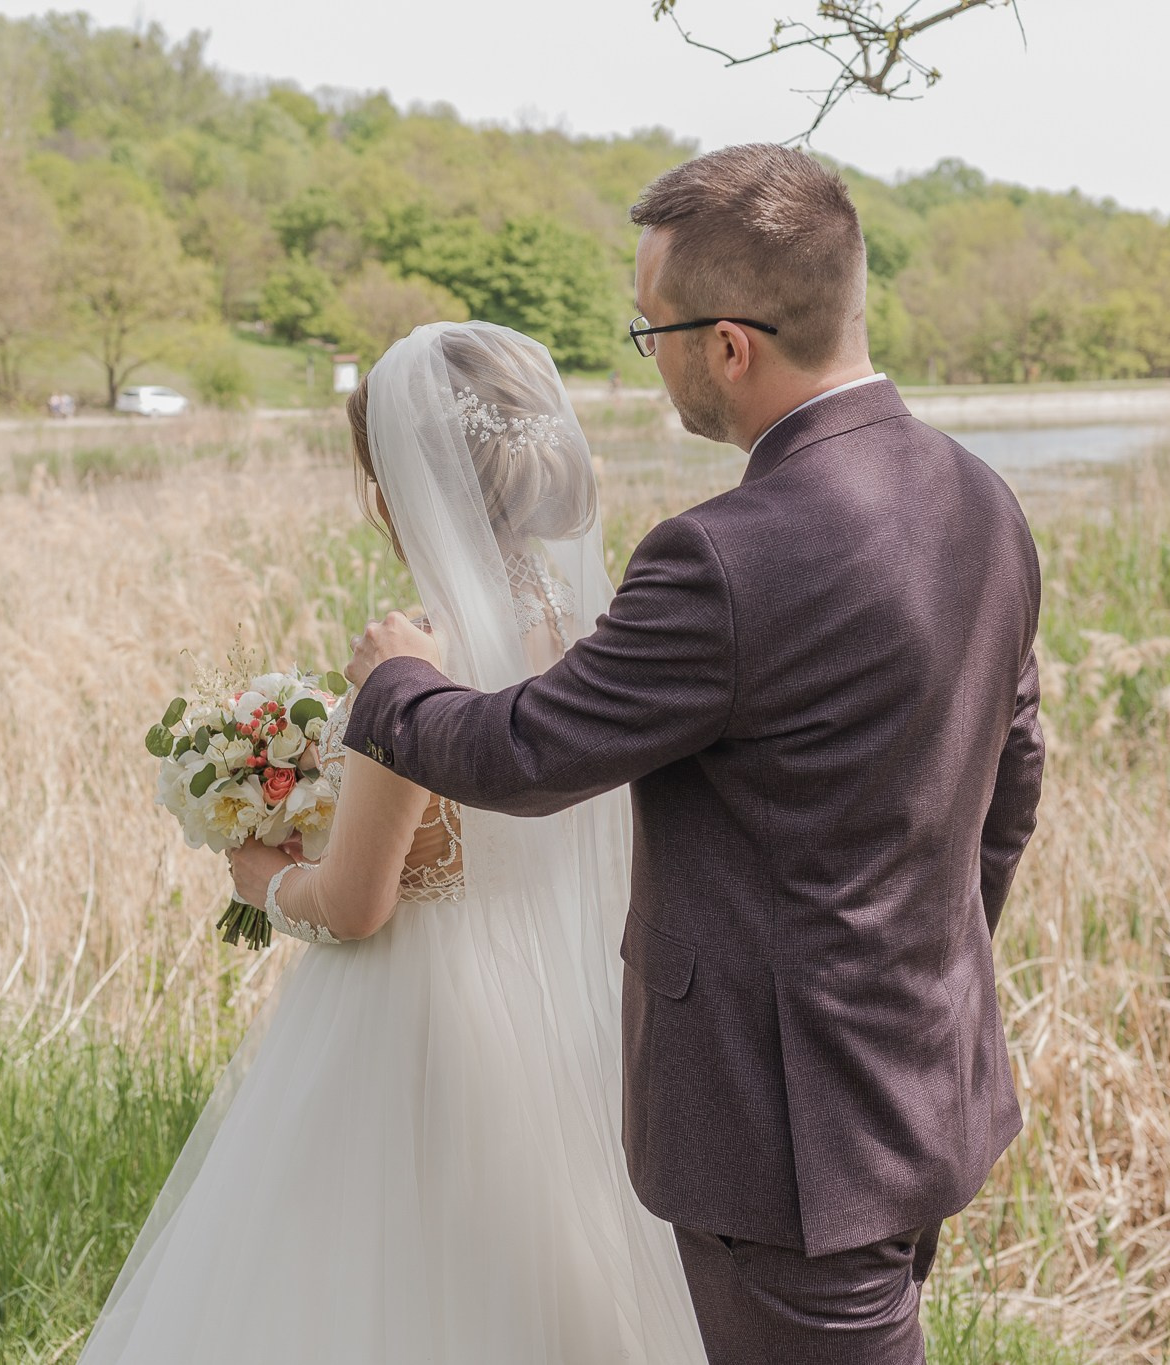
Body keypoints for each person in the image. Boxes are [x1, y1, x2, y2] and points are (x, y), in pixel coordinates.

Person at [343, 143, 1046, 1363]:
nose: (649, 355)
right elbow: (1013, 772)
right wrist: (917, 961)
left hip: (782, 1133)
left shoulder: (722, 555)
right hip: (924, 1077)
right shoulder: (976, 497)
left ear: (729, 345)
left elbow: (526, 752)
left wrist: (395, 684)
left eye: (650, 329)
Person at [75, 320, 709, 1365]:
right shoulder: (589, 629)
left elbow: (356, 904)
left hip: (427, 1026)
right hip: (571, 1009)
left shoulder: (414, 661)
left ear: (395, 486)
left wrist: (261, 876)